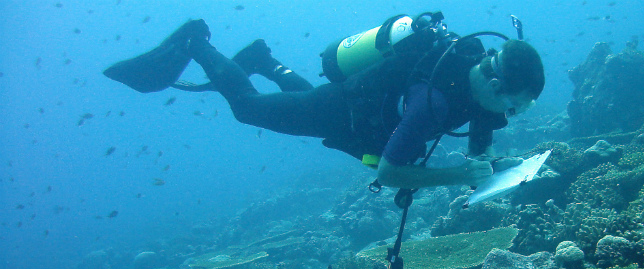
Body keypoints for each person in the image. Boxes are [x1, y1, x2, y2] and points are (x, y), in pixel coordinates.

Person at [104, 16, 545, 190]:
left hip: (364, 123)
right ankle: (197, 42)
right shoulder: (430, 102)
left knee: (297, 100)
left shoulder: (485, 91)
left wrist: (497, 164)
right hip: (338, 112)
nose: (510, 113)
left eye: (518, 109)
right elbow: (391, 174)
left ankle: (262, 58)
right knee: (248, 109)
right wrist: (457, 176)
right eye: (513, 103)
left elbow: (481, 149)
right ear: (493, 76)